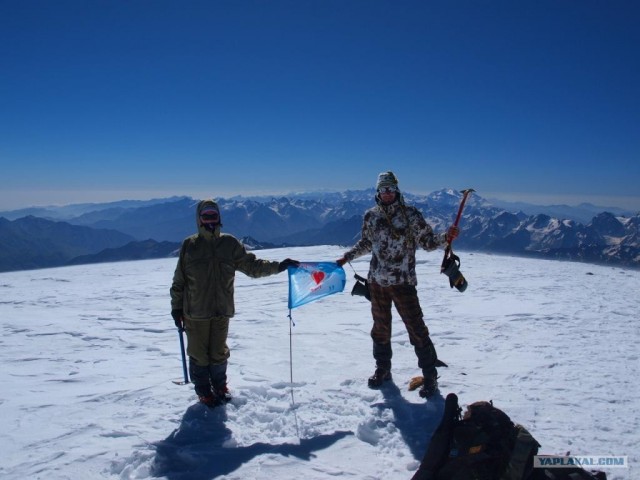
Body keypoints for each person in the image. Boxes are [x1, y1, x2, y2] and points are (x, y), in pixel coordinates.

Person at [336, 172, 459, 398]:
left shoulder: (411, 215)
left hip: (403, 282)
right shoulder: (371, 216)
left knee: (417, 329)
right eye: (383, 189)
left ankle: (430, 377)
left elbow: (428, 242)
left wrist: (445, 238)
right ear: (378, 192)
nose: (387, 193)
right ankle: (383, 370)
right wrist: (347, 257)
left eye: (391, 188)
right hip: (377, 282)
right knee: (380, 329)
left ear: (397, 190)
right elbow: (366, 243)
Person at [170, 199, 299, 407]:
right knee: (199, 355)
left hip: (222, 310)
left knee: (218, 352)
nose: (210, 219)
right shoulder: (190, 245)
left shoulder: (229, 244)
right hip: (195, 313)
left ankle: (220, 386)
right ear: (199, 219)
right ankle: (204, 391)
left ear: (219, 217)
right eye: (206, 215)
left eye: (214, 215)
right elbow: (179, 280)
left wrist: (278, 266)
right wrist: (177, 309)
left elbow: (252, 267)